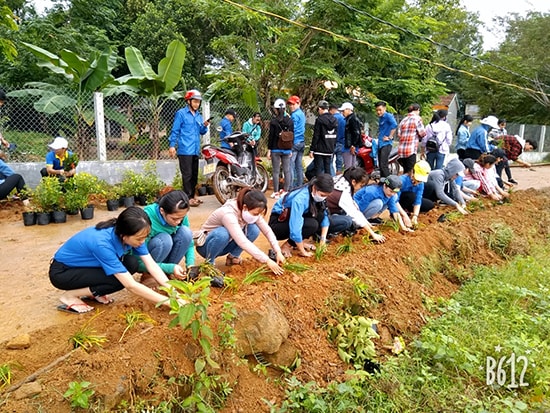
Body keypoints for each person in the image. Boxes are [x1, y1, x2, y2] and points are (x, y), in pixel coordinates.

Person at [49, 207, 183, 314]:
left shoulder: (132, 234)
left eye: (144, 237)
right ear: (124, 235)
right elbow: (131, 285)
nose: (142, 242)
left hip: (86, 268)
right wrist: (168, 302)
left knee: (131, 263)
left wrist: (174, 293)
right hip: (63, 273)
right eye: (139, 239)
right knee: (119, 281)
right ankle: (70, 295)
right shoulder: (102, 243)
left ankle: (92, 293)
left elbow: (151, 265)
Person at [196, 188, 285, 275]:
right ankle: (209, 263)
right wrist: (267, 260)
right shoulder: (228, 214)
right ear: (245, 207)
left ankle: (233, 257)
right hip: (207, 247)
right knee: (222, 234)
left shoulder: (249, 209)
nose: (257, 216)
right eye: (255, 214)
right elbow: (242, 241)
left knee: (254, 229)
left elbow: (267, 231)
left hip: (226, 244)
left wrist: (278, 251)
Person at [269, 174, 333, 258]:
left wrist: (322, 240)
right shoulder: (300, 199)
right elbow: (295, 226)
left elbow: (325, 217)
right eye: (322, 195)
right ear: (314, 188)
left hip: (290, 219)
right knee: (312, 225)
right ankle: (287, 246)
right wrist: (303, 251)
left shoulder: (316, 195)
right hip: (278, 223)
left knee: (320, 215)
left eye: (327, 196)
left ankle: (299, 242)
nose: (324, 198)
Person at [139, 189, 194, 282]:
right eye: (174, 218)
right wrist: (170, 267)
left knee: (186, 232)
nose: (178, 222)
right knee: (164, 239)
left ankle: (166, 273)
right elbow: (138, 262)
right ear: (162, 211)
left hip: (165, 260)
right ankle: (149, 275)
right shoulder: (147, 218)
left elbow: (189, 243)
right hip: (148, 260)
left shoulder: (179, 215)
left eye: (182, 218)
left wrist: (190, 264)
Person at [168, 89, 211, 207]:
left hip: (195, 150)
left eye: (198, 102)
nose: (197, 104)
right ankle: (187, 198)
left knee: (194, 174)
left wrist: (205, 126)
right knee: (187, 175)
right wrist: (172, 145)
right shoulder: (181, 114)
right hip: (185, 149)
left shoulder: (198, 116)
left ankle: (192, 196)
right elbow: (175, 130)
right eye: (195, 101)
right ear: (189, 101)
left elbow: (201, 131)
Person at [326, 167, 386, 243]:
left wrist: (368, 224)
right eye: (361, 186)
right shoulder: (342, 193)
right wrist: (373, 234)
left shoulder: (342, 180)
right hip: (321, 216)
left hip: (325, 212)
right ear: (353, 182)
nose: (360, 189)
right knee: (347, 221)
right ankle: (325, 231)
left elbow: (355, 207)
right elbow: (354, 214)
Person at [267, 99, 293, 199]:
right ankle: (286, 191)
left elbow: (271, 136)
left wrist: (269, 149)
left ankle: (276, 192)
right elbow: (292, 135)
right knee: (287, 170)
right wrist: (290, 148)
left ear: (276, 110)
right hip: (287, 149)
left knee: (276, 171)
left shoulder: (274, 121)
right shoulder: (290, 121)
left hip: (275, 149)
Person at [398, 160, 434, 225]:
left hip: (410, 201)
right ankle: (400, 212)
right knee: (411, 196)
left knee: (430, 204)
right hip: (399, 202)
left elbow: (418, 199)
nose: (418, 182)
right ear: (412, 172)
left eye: (420, 181)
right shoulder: (402, 180)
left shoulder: (421, 184)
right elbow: (394, 200)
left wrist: (415, 216)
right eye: (417, 179)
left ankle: (407, 210)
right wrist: (403, 215)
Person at [397, 103, 426, 174]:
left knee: (405, 172)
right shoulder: (417, 119)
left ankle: (404, 184)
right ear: (417, 110)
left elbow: (399, 134)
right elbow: (422, 133)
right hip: (411, 150)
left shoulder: (403, 120)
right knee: (411, 173)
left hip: (401, 151)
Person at [310, 100, 337, 177]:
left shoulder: (319, 120)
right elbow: (336, 135)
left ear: (320, 109)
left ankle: (319, 186)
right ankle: (328, 186)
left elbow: (316, 135)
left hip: (320, 149)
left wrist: (312, 149)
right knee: (327, 169)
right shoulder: (334, 120)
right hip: (330, 148)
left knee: (318, 169)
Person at [287, 95, 306, 189]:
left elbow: (292, 130)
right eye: (290, 104)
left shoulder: (294, 115)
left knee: (290, 165)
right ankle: (300, 185)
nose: (291, 106)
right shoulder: (302, 113)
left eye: (293, 104)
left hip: (294, 142)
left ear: (298, 103)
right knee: (298, 165)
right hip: (301, 142)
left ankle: (290, 186)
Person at [375, 101, 397, 178]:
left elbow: (394, 125)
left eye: (380, 110)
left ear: (384, 108)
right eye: (377, 110)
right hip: (381, 143)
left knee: (383, 165)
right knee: (380, 165)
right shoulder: (381, 118)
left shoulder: (388, 116)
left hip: (386, 144)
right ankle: (382, 182)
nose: (378, 112)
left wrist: (390, 137)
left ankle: (390, 183)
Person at [340, 102, 362, 169]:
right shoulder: (353, 118)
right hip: (351, 145)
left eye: (343, 111)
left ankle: (349, 178)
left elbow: (356, 132)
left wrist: (353, 145)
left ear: (348, 110)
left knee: (349, 167)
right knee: (352, 166)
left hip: (349, 146)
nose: (342, 113)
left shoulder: (351, 119)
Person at [329, 103, 346, 174]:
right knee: (339, 161)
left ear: (332, 110)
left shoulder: (332, 118)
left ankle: (332, 177)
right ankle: (338, 174)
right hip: (342, 142)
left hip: (332, 142)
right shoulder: (344, 119)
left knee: (329, 161)